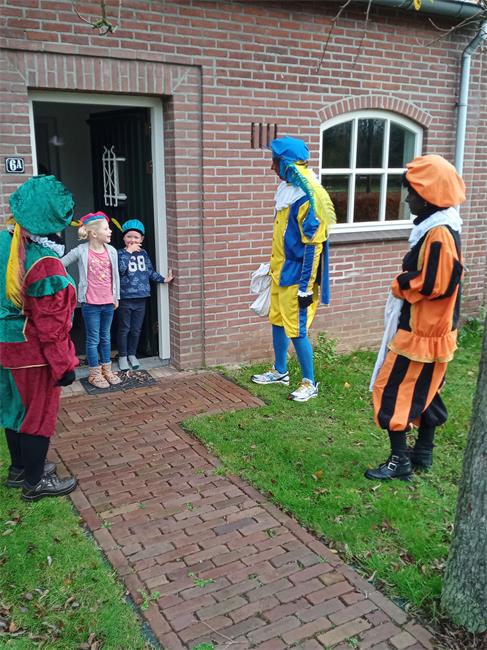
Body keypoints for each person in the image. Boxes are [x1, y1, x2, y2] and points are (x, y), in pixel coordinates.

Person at [366, 154, 465, 481]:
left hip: (421, 333)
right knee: (425, 390)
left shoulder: (439, 234)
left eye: (413, 192)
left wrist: (401, 283)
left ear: (429, 195)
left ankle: (400, 461)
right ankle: (422, 453)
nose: (407, 199)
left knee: (391, 390)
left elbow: (437, 283)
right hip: (435, 331)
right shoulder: (443, 228)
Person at [0, 175, 78, 501]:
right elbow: (52, 327)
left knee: (13, 408)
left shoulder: (4, 242)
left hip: (4, 346)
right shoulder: (44, 263)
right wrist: (64, 366)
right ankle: (35, 482)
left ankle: (19, 469)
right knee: (38, 414)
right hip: (31, 353)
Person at [251, 136, 336, 401]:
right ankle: (280, 371)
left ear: (287, 164)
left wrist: (305, 288)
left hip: (297, 279)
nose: (271, 168)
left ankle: (309, 382)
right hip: (279, 272)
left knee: (297, 330)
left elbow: (313, 247)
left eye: (275, 162)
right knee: (277, 321)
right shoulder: (288, 191)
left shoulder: (309, 198)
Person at [61, 212, 121, 389]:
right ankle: (94, 374)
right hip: (90, 304)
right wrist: (68, 284)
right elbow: (59, 264)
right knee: (93, 339)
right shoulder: (81, 251)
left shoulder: (112, 251)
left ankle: (107, 370)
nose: (110, 231)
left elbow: (115, 277)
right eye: (106, 229)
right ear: (94, 233)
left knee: (106, 337)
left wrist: (116, 297)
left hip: (108, 302)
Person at [117, 219, 174, 370]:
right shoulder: (120, 253)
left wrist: (163, 279)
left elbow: (149, 271)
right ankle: (122, 356)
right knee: (124, 328)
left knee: (136, 329)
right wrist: (129, 252)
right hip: (125, 298)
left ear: (141, 239)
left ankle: (132, 354)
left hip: (141, 297)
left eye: (136, 237)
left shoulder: (144, 253)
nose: (132, 240)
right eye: (129, 236)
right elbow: (120, 270)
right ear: (124, 238)